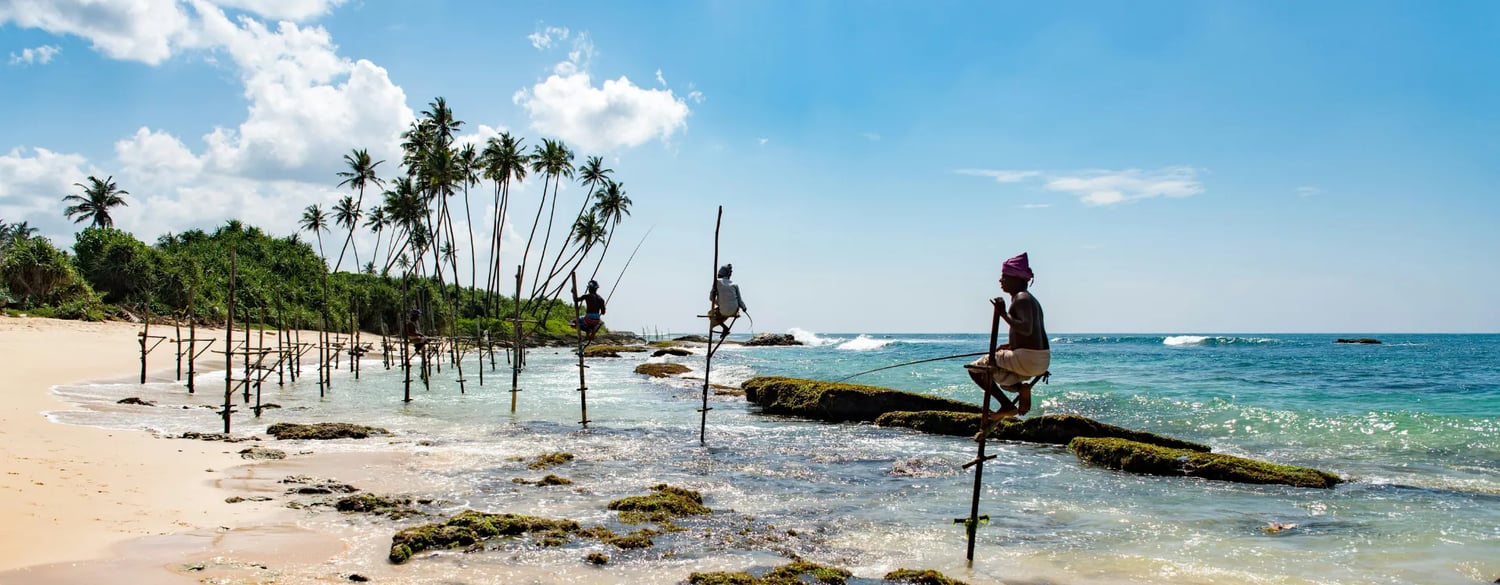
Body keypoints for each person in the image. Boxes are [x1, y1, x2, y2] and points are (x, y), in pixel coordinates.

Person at [964, 252, 1049, 423]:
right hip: (1040, 360)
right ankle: (1021, 389)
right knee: (1000, 378)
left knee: (976, 369)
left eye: (1004, 276)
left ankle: (1006, 405)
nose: (1000, 280)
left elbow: (1025, 328)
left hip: (1026, 359)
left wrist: (1002, 313)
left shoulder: (1021, 298)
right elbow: (1033, 335)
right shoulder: (1031, 300)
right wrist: (1010, 346)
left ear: (1016, 278)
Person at [708, 264, 747, 337]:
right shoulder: (735, 284)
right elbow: (740, 300)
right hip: (734, 311)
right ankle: (725, 328)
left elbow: (711, 298)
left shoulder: (716, 282)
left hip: (723, 311)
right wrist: (744, 308)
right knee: (728, 309)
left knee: (710, 314)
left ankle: (724, 327)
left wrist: (720, 304)